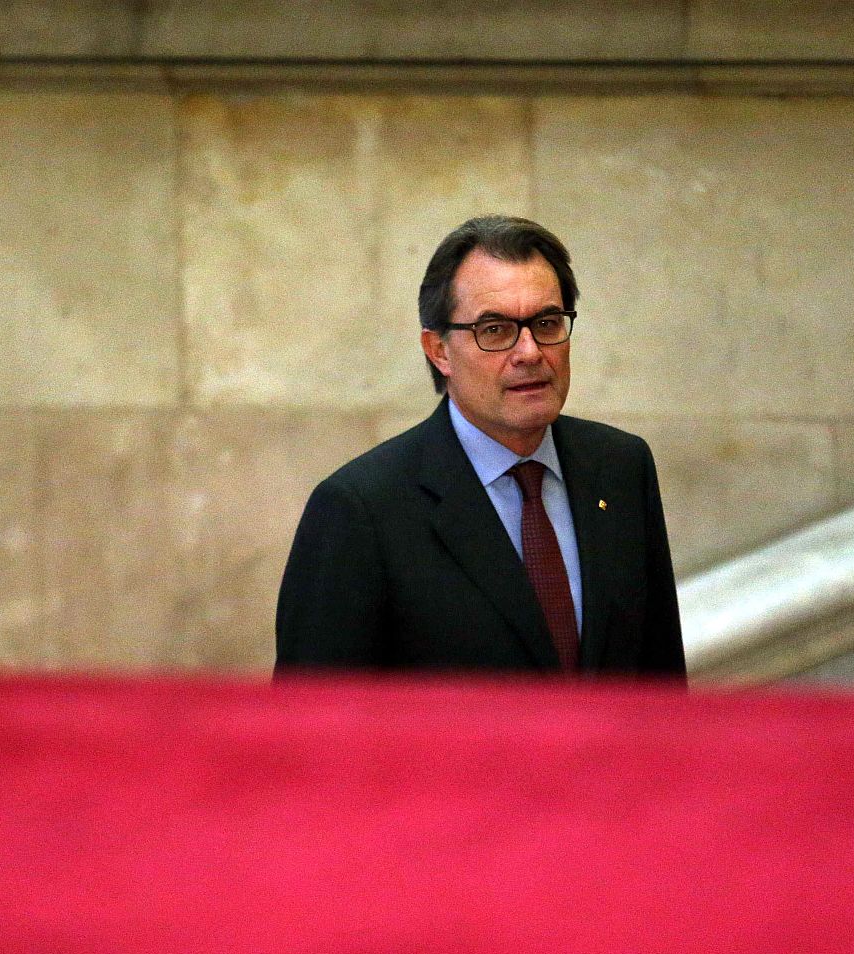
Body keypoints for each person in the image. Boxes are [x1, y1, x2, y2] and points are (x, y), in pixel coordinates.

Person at [275, 215, 686, 678]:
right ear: (439, 351)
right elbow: (309, 729)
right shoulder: (360, 509)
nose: (530, 352)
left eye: (547, 323)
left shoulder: (620, 468)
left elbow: (662, 690)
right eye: (495, 330)